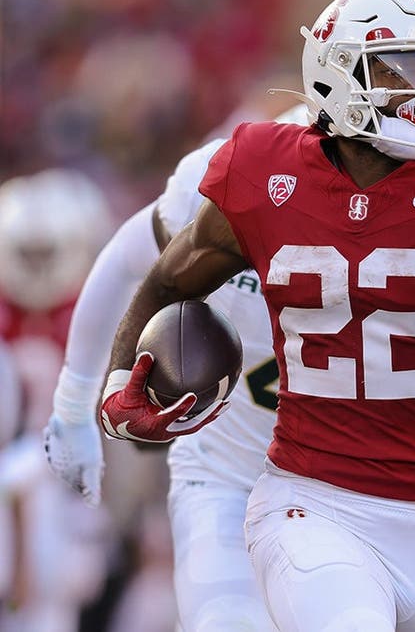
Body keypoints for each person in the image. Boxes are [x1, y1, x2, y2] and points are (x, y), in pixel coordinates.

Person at [93, 0, 415, 632]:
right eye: (400, 72)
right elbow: (168, 279)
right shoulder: (266, 170)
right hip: (318, 506)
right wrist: (119, 380)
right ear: (333, 75)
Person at [44, 105, 310, 630]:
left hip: (357, 478)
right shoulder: (227, 173)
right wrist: (74, 405)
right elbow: (126, 259)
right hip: (225, 472)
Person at [0, 170, 113, 631]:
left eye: (45, 251)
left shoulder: (89, 306)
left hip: (75, 469)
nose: (37, 264)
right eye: (28, 251)